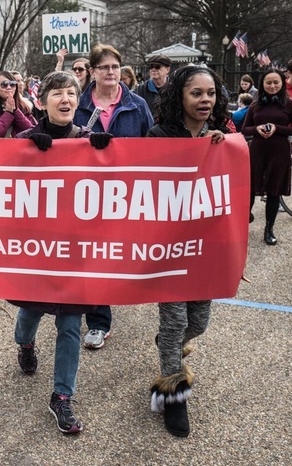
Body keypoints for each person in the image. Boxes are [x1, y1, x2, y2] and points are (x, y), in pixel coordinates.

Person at [11, 71, 112, 434]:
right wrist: (24, 153)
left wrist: (106, 155)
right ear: (43, 101)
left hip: (74, 251)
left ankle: (62, 397)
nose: (65, 99)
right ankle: (25, 344)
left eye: (72, 93)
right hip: (37, 251)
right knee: (29, 313)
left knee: (71, 324)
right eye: (57, 93)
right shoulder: (24, 140)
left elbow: (116, 186)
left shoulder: (89, 140)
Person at [146, 65, 228, 437]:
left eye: (210, 93)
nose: (205, 100)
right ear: (180, 96)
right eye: (196, 93)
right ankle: (173, 396)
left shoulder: (224, 137)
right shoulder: (159, 135)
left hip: (205, 248)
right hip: (168, 248)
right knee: (175, 320)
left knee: (198, 323)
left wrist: (223, 149)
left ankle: (169, 347)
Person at [74, 44, 154, 351]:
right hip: (87, 194)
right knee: (93, 255)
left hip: (126, 193)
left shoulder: (137, 104)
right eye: (104, 67)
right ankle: (98, 321)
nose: (111, 72)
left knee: (118, 253)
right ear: (92, 71)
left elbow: (153, 142)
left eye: (115, 67)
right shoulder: (78, 103)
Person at [243, 69, 292, 244]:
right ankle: (242, 225)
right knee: (249, 189)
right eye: (268, 82)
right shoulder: (255, 106)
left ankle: (269, 229)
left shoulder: (289, 104)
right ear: (263, 84)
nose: (272, 86)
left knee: (274, 191)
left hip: (279, 152)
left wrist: (277, 128)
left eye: (275, 82)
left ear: (282, 84)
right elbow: (244, 129)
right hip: (257, 151)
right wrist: (256, 129)